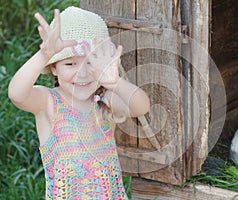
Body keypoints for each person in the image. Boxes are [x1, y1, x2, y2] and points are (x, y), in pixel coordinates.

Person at [8, 6, 150, 199]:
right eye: (70, 63)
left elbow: (141, 107)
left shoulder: (104, 100)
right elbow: (17, 94)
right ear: (54, 68)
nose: (82, 74)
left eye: (90, 62)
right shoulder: (48, 103)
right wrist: (43, 55)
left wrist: (116, 83)